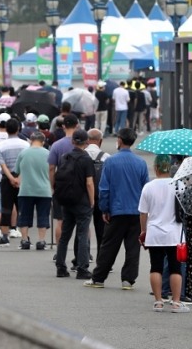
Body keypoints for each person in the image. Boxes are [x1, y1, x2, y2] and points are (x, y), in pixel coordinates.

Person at [84, 128, 149, 289]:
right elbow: (145, 189)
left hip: (117, 210)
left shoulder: (111, 161)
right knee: (133, 247)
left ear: (119, 140)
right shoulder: (141, 163)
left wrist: (105, 209)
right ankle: (128, 279)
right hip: (135, 210)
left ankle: (99, 277)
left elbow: (104, 188)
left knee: (109, 245)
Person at [138, 154, 190, 313]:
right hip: (174, 233)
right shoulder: (179, 185)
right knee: (175, 268)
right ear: (169, 168)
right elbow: (186, 208)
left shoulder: (148, 187)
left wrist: (143, 231)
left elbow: (143, 213)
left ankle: (158, 301)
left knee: (156, 267)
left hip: (154, 233)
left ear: (155, 168)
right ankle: (175, 302)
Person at [54, 129, 96, 279]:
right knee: (82, 234)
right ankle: (82, 268)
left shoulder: (65, 157)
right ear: (86, 142)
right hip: (82, 201)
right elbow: (89, 183)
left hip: (67, 201)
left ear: (72, 142)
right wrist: (92, 201)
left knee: (65, 235)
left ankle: (60, 267)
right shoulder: (86, 159)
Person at [14, 131, 52, 250]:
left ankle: (25, 240)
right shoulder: (48, 154)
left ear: (30, 140)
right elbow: (52, 170)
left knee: (24, 215)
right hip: (44, 190)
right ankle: (41, 241)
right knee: (43, 216)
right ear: (43, 141)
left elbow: (17, 171)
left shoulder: (23, 153)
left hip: (26, 189)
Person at [48, 114, 80, 254]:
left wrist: (52, 185)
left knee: (60, 221)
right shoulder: (82, 144)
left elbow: (51, 167)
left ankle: (59, 251)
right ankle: (83, 251)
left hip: (61, 186)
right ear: (77, 125)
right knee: (82, 223)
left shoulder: (57, 145)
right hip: (79, 186)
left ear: (63, 126)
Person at [0, 118, 30, 246]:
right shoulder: (25, 144)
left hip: (6, 179)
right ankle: (25, 238)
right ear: (18, 129)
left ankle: (5, 236)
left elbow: (1, 164)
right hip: (23, 178)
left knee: (6, 207)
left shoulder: (1, 145)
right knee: (23, 208)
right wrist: (18, 177)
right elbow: (26, 163)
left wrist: (10, 178)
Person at [85, 128, 110, 261]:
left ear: (87, 140)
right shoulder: (107, 157)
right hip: (101, 198)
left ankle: (84, 257)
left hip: (84, 198)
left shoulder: (82, 155)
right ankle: (103, 260)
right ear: (100, 141)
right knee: (102, 232)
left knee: (83, 228)